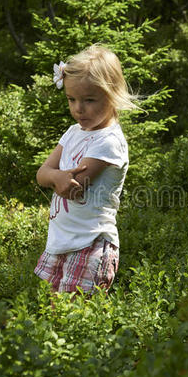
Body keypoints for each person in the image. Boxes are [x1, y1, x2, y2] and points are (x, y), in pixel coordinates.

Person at [34, 44, 137, 295]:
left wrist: (56, 176)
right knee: (53, 314)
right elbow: (42, 174)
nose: (78, 108)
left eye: (89, 100)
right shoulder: (73, 133)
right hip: (62, 240)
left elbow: (73, 188)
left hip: (91, 244)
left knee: (75, 317)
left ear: (112, 95)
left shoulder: (109, 142)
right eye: (72, 99)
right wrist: (55, 176)